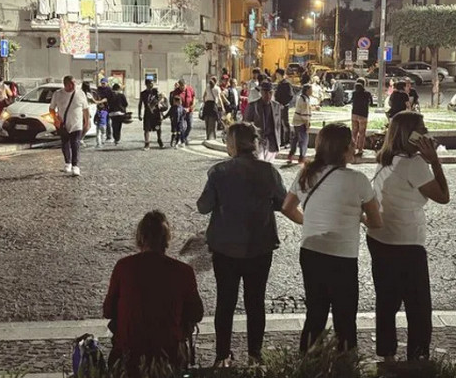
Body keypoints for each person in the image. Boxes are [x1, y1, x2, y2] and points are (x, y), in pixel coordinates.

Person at [281, 123, 383, 352]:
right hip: (342, 255)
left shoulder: (306, 173)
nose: (355, 147)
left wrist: (309, 222)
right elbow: (376, 221)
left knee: (315, 313)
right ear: (343, 149)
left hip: (311, 250)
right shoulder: (358, 180)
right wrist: (359, 217)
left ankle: (307, 362)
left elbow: (287, 207)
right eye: (352, 144)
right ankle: (345, 362)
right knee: (344, 317)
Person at [197, 123, 287, 366]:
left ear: (233, 144)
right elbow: (282, 202)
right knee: (255, 302)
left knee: (225, 302)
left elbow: (203, 206)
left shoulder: (219, 172)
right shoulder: (268, 171)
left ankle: (222, 355)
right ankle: (255, 355)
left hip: (225, 247)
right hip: (260, 246)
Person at [369, 112, 450, 361]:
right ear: (410, 135)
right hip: (406, 241)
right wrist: (434, 161)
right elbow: (443, 196)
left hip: (379, 237)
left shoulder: (386, 159)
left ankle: (386, 352)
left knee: (386, 300)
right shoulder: (414, 164)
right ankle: (417, 356)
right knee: (418, 305)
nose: (426, 132)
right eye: (422, 128)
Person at [103, 211, 204, 373]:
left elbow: (108, 311)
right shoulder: (183, 271)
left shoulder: (124, 267)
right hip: (168, 354)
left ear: (141, 238)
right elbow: (196, 314)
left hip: (129, 354)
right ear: (166, 239)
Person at [49, 75, 90, 177]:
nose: (73, 85)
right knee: (65, 143)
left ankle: (75, 166)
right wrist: (55, 119)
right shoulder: (58, 94)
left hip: (77, 123)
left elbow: (85, 108)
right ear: (65, 84)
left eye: (74, 83)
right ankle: (68, 163)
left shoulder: (80, 93)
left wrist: (87, 121)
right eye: (70, 83)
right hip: (63, 123)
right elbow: (52, 108)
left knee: (75, 143)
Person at [244, 81, 283, 162]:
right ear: (261, 92)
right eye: (265, 92)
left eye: (270, 93)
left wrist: (278, 142)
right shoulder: (253, 106)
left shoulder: (276, 106)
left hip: (271, 141)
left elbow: (278, 125)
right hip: (258, 140)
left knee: (269, 165)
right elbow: (246, 124)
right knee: (259, 163)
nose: (268, 95)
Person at [288, 84, 312, 164]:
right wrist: (307, 123)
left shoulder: (302, 98)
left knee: (295, 139)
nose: (312, 91)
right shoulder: (305, 100)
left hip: (296, 121)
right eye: (310, 90)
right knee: (303, 140)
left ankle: (291, 154)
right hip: (301, 122)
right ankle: (302, 157)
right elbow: (304, 113)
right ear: (307, 90)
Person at [138, 79, 164, 150]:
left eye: (152, 83)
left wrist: (162, 113)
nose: (152, 85)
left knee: (158, 127)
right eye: (150, 84)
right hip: (147, 112)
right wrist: (139, 114)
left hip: (156, 112)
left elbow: (160, 101)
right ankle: (147, 143)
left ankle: (159, 139)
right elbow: (140, 104)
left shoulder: (155, 92)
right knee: (146, 128)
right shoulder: (143, 93)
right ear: (146, 84)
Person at [351, 78, 374, 157]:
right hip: (363, 115)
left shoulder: (354, 93)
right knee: (362, 133)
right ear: (364, 84)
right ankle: (360, 149)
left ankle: (352, 149)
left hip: (354, 114)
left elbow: (351, 101)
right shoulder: (367, 93)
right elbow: (371, 103)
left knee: (354, 133)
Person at [172, 79, 196, 146]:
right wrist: (182, 109)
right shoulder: (176, 92)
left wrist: (192, 106)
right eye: (181, 86)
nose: (182, 87)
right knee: (182, 126)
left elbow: (193, 98)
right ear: (179, 86)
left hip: (189, 110)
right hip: (181, 112)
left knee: (190, 126)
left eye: (183, 86)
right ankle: (182, 139)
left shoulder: (190, 89)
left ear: (185, 84)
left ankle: (184, 137)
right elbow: (175, 102)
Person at [274, 68, 294, 148]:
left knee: (285, 123)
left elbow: (290, 95)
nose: (276, 76)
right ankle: (281, 141)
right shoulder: (279, 83)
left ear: (280, 74)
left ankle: (287, 141)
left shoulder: (286, 84)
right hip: (278, 106)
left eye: (277, 74)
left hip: (284, 106)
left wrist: (284, 104)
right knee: (279, 124)